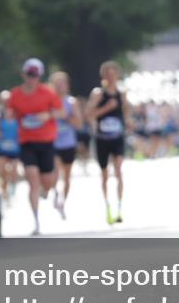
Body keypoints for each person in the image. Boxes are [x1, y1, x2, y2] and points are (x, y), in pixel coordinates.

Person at [10, 58, 64, 235]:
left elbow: (61, 112)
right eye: (29, 74)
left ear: (39, 76)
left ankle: (47, 189)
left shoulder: (47, 93)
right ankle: (36, 221)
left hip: (46, 141)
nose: (31, 78)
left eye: (35, 75)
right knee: (32, 179)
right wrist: (10, 115)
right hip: (27, 141)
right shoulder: (16, 94)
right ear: (23, 74)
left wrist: (47, 115)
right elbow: (10, 112)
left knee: (47, 180)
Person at [86, 61, 130, 225]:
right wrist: (106, 108)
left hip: (117, 137)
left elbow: (125, 114)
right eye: (108, 75)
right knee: (104, 174)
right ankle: (108, 207)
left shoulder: (121, 93)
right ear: (103, 76)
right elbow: (89, 115)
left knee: (119, 170)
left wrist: (128, 118)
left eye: (114, 74)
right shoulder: (98, 94)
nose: (111, 78)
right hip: (102, 138)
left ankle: (119, 208)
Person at [50, 71, 82, 219]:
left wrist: (66, 116)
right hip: (53, 142)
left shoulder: (71, 102)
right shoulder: (49, 101)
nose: (59, 86)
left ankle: (63, 202)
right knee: (55, 172)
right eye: (56, 83)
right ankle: (56, 194)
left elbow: (78, 123)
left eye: (62, 83)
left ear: (67, 85)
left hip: (68, 142)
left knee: (67, 177)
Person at [0, 102, 21, 203]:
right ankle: (4, 190)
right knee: (2, 171)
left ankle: (13, 187)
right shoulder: (0, 119)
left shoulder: (18, 121)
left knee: (14, 171)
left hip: (15, 149)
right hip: (3, 149)